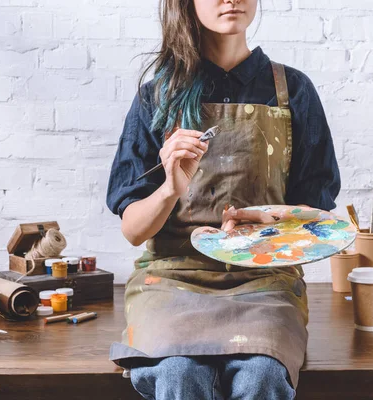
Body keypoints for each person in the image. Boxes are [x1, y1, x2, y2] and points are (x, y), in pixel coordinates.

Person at [106, 0, 340, 398]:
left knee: (261, 375)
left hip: (265, 282)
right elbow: (133, 230)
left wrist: (266, 227)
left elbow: (314, 220)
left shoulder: (292, 91)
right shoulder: (158, 96)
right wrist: (169, 189)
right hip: (171, 281)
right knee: (178, 373)